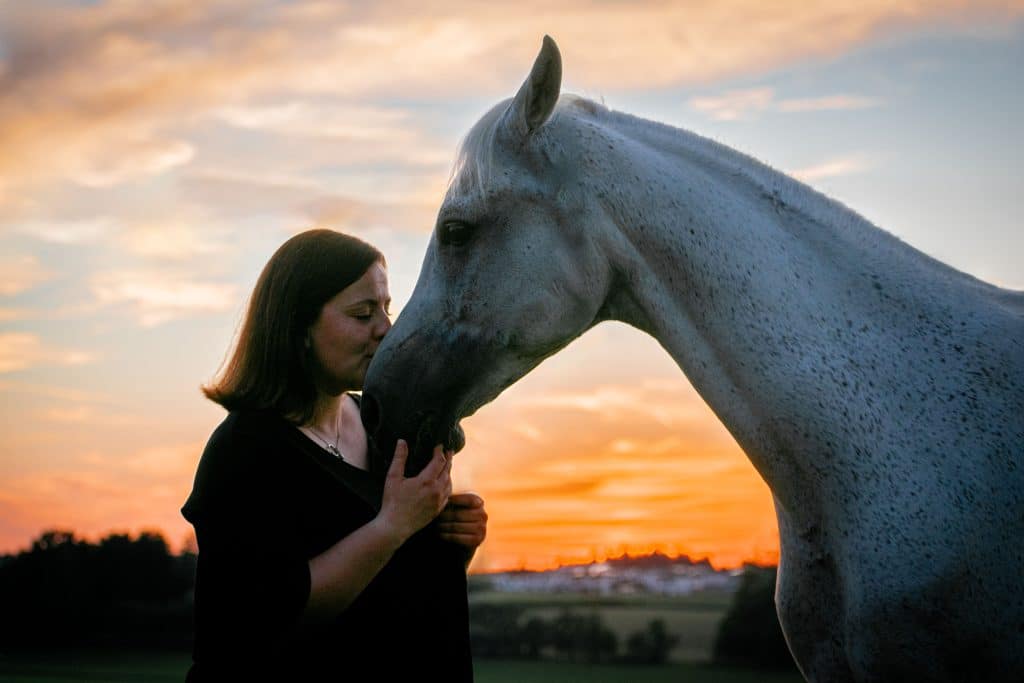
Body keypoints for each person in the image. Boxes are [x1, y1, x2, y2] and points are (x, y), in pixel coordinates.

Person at [181, 229, 487, 681]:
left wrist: (454, 541)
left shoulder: (386, 427)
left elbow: (401, 591)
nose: (386, 328)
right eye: (363, 313)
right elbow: (263, 620)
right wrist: (393, 525)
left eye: (386, 308)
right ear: (299, 328)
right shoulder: (244, 452)